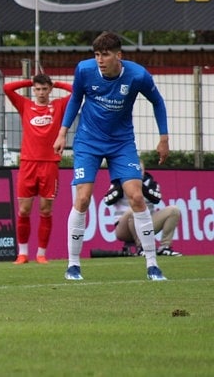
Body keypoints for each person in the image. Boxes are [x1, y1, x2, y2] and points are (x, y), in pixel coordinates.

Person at [53, 31, 170, 281]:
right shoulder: (84, 70)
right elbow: (75, 99)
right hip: (88, 142)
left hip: (121, 143)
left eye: (105, 54)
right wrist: (63, 133)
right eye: (96, 54)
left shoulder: (137, 75)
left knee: (137, 196)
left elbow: (157, 101)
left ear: (119, 55)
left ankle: (152, 265)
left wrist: (164, 138)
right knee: (82, 199)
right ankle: (73, 265)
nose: (100, 60)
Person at [3, 74, 72, 265]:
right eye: (37, 89)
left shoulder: (58, 106)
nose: (41, 93)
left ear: (50, 89)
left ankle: (41, 254)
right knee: (24, 210)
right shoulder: (25, 105)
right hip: (28, 163)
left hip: (49, 164)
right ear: (33, 90)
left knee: (45, 209)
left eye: (44, 89)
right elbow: (7, 89)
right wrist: (29, 80)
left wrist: (57, 83)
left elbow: (76, 93)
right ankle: (22, 253)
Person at [104, 167, 182, 256]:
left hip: (146, 223)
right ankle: (142, 247)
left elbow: (157, 198)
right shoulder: (118, 181)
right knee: (134, 210)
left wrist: (141, 187)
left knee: (174, 210)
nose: (137, 173)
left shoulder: (150, 183)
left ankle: (165, 247)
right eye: (134, 170)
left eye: (140, 170)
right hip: (124, 227)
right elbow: (107, 200)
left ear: (144, 171)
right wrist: (122, 187)